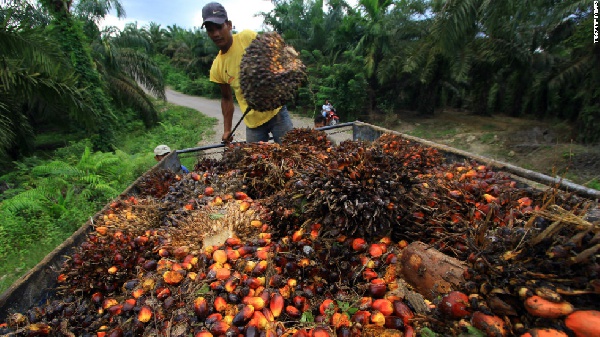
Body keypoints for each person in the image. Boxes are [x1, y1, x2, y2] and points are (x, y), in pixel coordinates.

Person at [202, 2, 293, 144]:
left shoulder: (247, 37)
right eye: (210, 30)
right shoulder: (217, 67)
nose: (216, 34)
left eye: (219, 27)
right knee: (255, 163)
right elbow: (226, 99)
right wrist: (227, 130)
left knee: (292, 152)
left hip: (277, 113)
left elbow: (273, 55)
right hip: (253, 123)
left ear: (229, 25)